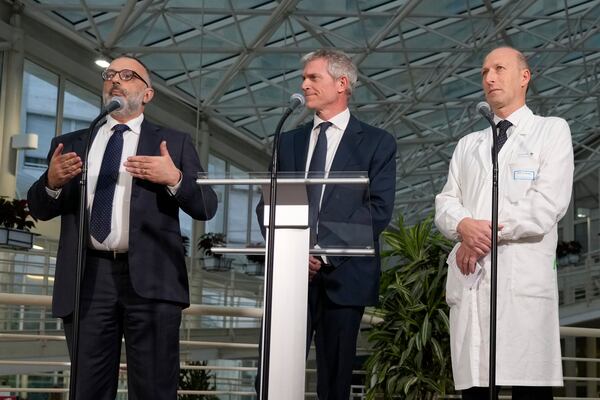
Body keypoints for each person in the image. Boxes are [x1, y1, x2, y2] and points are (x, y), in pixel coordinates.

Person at [27, 56, 218, 400]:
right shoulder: (72, 143)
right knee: (88, 389)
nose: (116, 80)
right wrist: (51, 182)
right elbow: (40, 208)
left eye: (128, 75)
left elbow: (206, 205)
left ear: (147, 94)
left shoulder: (173, 143)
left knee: (154, 388)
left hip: (152, 281)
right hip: (88, 278)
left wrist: (173, 178)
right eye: (110, 74)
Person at [435, 46, 574, 399]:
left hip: (521, 282)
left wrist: (478, 234)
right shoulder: (469, 144)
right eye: (484, 72)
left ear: (524, 77)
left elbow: (544, 206)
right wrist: (463, 226)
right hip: (474, 282)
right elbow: (446, 202)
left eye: (499, 68)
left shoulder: (550, 131)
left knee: (529, 388)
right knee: (477, 389)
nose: (490, 77)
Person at [257, 49, 396, 400]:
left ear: (342, 83)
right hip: (291, 278)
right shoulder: (288, 140)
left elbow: (377, 210)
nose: (304, 85)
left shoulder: (378, 143)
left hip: (344, 278)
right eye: (303, 78)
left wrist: (320, 252)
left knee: (333, 384)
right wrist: (293, 253)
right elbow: (267, 205)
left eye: (313, 78)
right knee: (270, 378)